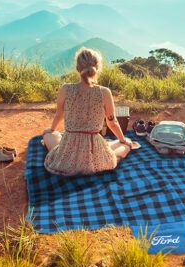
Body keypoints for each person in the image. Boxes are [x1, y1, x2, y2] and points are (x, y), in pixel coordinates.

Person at [42, 47, 132, 176]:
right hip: (94, 150)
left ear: (77, 68)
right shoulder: (104, 92)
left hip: (68, 152)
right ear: (97, 68)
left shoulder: (65, 89)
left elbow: (59, 115)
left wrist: (51, 129)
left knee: (49, 135)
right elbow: (112, 122)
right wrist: (123, 140)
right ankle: (115, 146)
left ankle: (107, 146)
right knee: (126, 144)